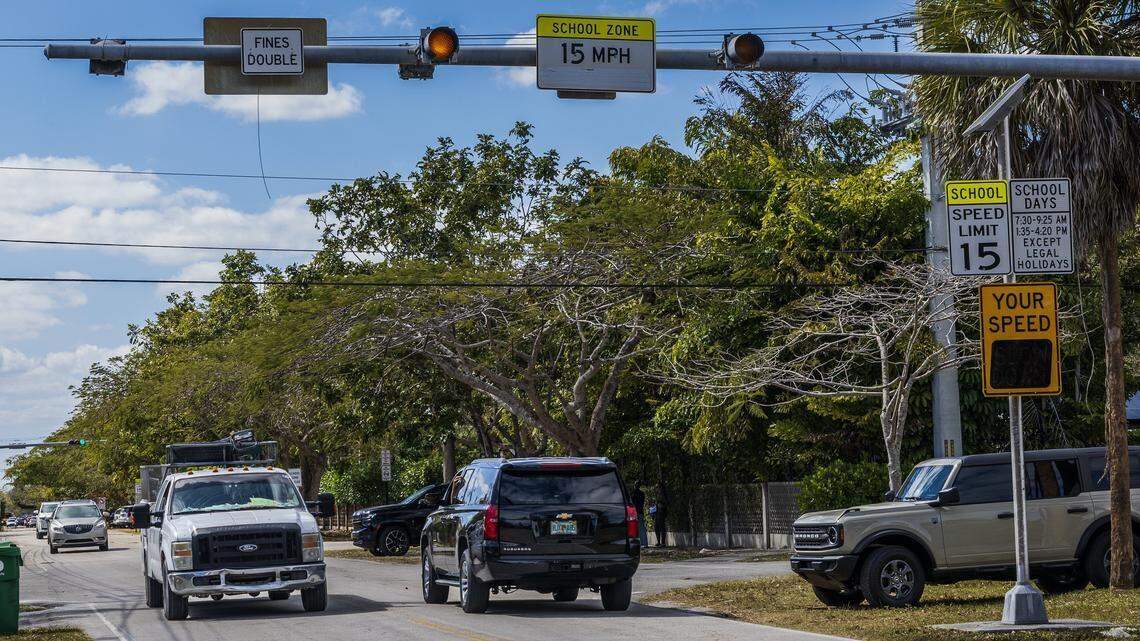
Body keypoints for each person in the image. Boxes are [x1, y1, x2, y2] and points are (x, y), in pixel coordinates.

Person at [629, 482, 648, 547]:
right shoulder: (642, 494)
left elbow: (631, 503)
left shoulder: (633, 493)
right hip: (640, 512)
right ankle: (645, 543)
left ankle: (636, 544)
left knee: (634, 528)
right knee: (642, 528)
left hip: (634, 513)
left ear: (635, 486)